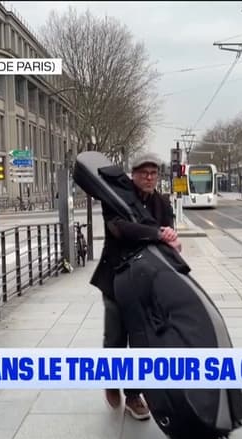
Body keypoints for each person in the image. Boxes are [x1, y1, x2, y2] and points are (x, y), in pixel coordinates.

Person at [89, 152, 181, 420]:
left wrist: (172, 240)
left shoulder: (162, 203)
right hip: (116, 277)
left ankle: (133, 394)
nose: (149, 177)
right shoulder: (115, 197)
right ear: (133, 174)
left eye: (153, 173)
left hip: (146, 280)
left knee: (142, 339)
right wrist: (156, 233)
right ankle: (111, 380)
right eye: (143, 172)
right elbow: (118, 229)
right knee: (116, 337)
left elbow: (168, 236)